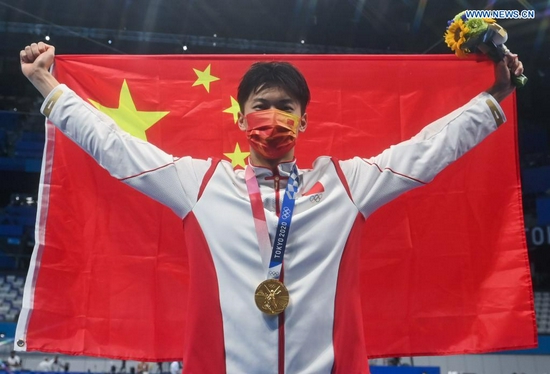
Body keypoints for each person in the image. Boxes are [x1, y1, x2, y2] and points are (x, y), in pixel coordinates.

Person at [20, 41, 523, 374]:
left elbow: (429, 150)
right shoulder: (201, 185)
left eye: (287, 107)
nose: (274, 117)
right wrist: (48, 85)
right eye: (262, 104)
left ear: (304, 122)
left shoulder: (346, 185)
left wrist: (493, 97)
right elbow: (114, 145)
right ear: (241, 118)